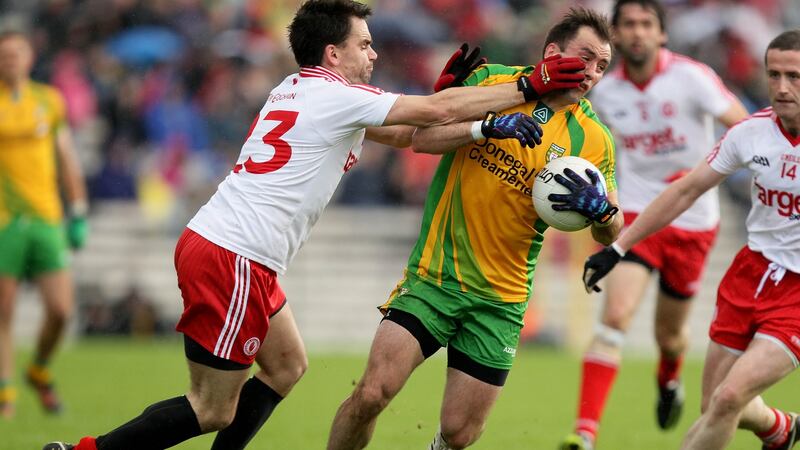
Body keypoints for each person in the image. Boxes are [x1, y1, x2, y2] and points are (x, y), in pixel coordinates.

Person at [41, 0, 573, 447]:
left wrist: (480, 125)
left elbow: (414, 135)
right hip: (236, 254)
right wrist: (534, 82)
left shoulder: (300, 89)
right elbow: (431, 114)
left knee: (287, 365)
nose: (375, 53)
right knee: (211, 409)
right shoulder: (338, 96)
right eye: (364, 44)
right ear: (332, 52)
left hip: (234, 250)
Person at [326, 8, 624, 450]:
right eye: (585, 58)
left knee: (461, 433)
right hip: (435, 277)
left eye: (602, 65)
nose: (593, 73)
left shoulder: (594, 139)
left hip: (501, 300)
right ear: (552, 52)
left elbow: (612, 229)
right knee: (372, 393)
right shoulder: (491, 81)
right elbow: (422, 139)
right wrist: (481, 129)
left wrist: (601, 212)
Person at [582, 29, 800, 450]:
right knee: (714, 404)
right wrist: (619, 246)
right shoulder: (751, 133)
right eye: (773, 75)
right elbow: (685, 190)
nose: (782, 87)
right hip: (750, 274)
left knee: (729, 397)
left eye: (794, 76)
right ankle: (779, 428)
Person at [559, 1, 749, 448]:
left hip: (695, 223)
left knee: (670, 336)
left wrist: (709, 169)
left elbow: (744, 128)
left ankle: (669, 378)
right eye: (629, 25)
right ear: (617, 37)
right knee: (616, 317)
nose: (638, 33)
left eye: (647, 24)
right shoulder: (604, 91)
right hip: (637, 219)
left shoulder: (692, 78)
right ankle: (584, 433)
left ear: (662, 34)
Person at [0, 31, 89, 418]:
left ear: (30, 58)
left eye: (16, 54)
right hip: (4, 221)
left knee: (62, 310)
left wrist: (79, 210)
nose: (10, 61)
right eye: (4, 55)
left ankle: (38, 369)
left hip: (47, 218)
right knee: (4, 311)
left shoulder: (48, 102)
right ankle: (5, 394)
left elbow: (66, 157)